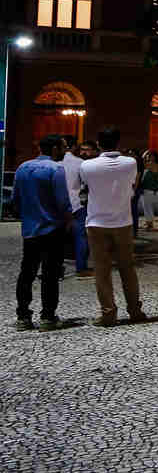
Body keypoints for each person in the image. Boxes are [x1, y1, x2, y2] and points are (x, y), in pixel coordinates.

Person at [80, 126, 147, 327]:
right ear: (118, 142)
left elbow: (85, 188)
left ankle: (108, 313)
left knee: (102, 270)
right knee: (127, 268)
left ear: (98, 144)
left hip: (96, 223)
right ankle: (135, 310)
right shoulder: (131, 163)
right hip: (123, 222)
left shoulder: (87, 166)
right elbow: (133, 186)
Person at [12, 135, 72, 331]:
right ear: (54, 148)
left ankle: (23, 316)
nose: (65, 151)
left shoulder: (22, 168)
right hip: (52, 228)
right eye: (63, 147)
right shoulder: (56, 169)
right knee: (50, 274)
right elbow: (63, 202)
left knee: (26, 273)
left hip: (30, 230)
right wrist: (68, 220)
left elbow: (15, 200)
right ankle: (48, 316)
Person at [60, 134, 91, 278]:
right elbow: (85, 183)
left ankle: (56, 268)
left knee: (56, 237)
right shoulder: (79, 163)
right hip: (76, 203)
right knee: (80, 236)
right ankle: (81, 267)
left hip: (58, 204)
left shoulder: (56, 161)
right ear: (73, 147)